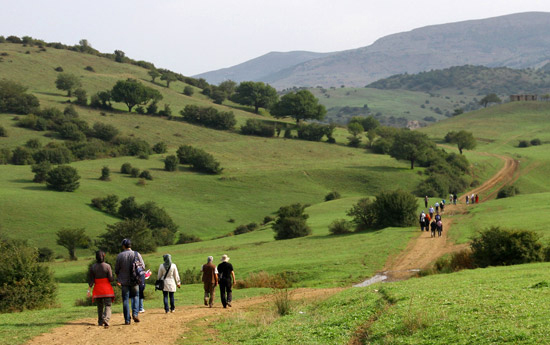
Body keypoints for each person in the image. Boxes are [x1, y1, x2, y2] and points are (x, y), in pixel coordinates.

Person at [115, 239, 144, 325]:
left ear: (123, 246)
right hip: (135, 280)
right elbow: (142, 266)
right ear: (130, 245)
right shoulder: (136, 254)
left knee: (125, 299)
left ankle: (127, 320)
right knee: (135, 296)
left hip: (124, 281)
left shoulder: (120, 256)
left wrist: (119, 278)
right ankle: (135, 314)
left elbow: (117, 269)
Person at [88, 250, 115, 328]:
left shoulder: (93, 267)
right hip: (106, 289)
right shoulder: (107, 266)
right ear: (104, 256)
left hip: (98, 289)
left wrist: (89, 290)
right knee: (108, 305)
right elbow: (110, 279)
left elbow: (91, 281)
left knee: (99, 306)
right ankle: (106, 319)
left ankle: (100, 321)